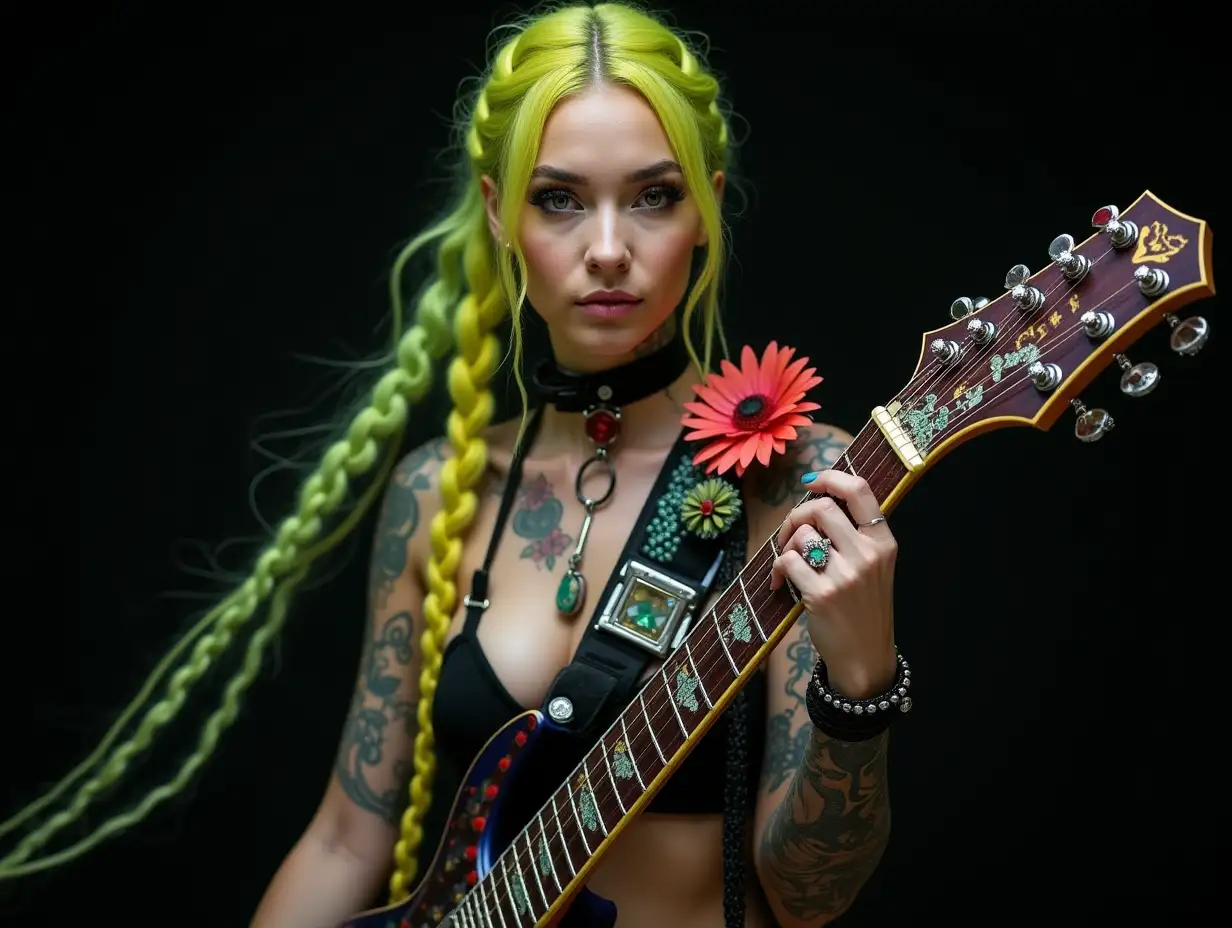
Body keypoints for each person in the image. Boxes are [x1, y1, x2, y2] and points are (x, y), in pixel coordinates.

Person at [1, 4, 907, 927]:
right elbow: (347, 841)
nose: (606, 248)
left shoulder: (801, 484)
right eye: (558, 197)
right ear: (497, 212)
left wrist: (861, 677)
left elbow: (808, 897)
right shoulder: (440, 490)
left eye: (653, 195)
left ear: (705, 210)